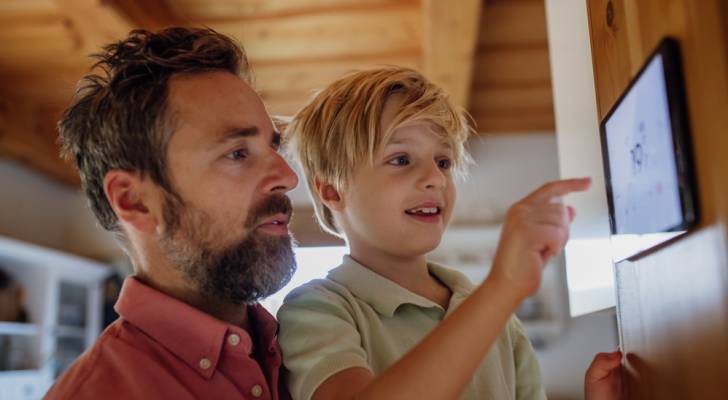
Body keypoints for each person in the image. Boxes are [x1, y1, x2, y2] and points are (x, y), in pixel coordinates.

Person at [277, 67, 622, 400]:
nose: (436, 178)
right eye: (401, 159)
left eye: (443, 162)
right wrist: (501, 288)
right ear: (332, 190)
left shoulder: (500, 322)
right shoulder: (317, 310)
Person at [46, 27, 298, 399]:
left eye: (273, 147)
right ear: (135, 201)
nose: (288, 177)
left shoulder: (310, 342)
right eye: (237, 153)